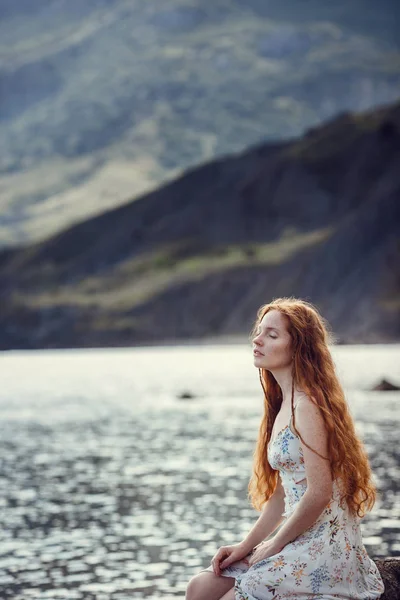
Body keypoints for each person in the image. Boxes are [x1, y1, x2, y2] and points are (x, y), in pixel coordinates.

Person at [185, 297, 385, 600]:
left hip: (323, 547)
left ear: (298, 347)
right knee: (200, 587)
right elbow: (281, 496)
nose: (258, 339)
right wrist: (244, 546)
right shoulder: (282, 406)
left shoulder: (308, 407)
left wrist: (274, 544)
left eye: (271, 334)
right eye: (259, 331)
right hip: (296, 538)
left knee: (235, 596)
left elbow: (319, 493)